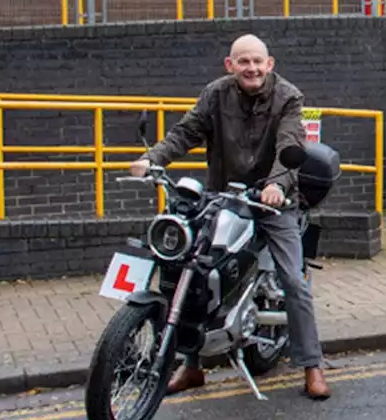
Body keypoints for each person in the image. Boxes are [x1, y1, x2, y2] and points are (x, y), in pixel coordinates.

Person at [129, 34, 332, 400]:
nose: (251, 68)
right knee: (192, 270)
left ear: (269, 64)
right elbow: (185, 132)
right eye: (243, 62)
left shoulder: (289, 97)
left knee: (293, 279)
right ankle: (192, 366)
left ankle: (312, 365)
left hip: (273, 200)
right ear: (230, 65)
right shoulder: (216, 93)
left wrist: (277, 186)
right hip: (223, 196)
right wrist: (152, 159)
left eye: (257, 61)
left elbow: (291, 145)